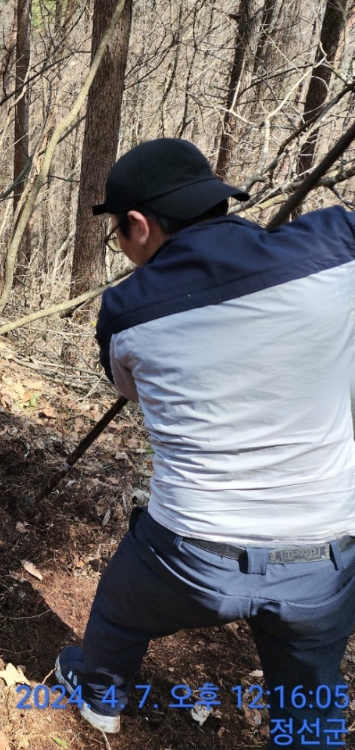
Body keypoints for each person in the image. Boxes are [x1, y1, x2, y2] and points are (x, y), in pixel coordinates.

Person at [54, 138, 355, 749]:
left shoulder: (125, 311)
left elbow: (133, 391)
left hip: (190, 554)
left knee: (118, 608)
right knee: (310, 706)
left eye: (117, 232)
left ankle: (101, 696)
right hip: (321, 559)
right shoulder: (335, 247)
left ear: (138, 225)